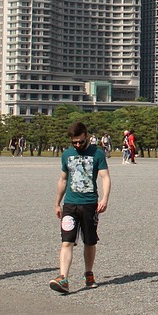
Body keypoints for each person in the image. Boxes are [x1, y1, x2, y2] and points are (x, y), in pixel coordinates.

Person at [51, 122, 110, 294]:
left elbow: (105, 177)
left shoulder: (97, 154)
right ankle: (63, 277)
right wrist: (57, 202)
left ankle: (88, 273)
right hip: (70, 204)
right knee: (66, 241)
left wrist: (105, 198)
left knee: (89, 241)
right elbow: (63, 179)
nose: (77, 145)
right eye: (74, 142)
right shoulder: (67, 155)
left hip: (90, 204)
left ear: (86, 136)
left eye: (80, 142)